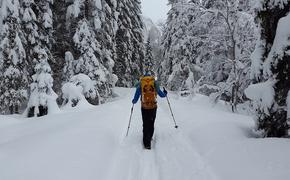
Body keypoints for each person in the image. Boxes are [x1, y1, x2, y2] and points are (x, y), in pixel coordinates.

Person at [132, 71, 167, 149]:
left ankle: (146, 143)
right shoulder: (154, 82)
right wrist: (165, 93)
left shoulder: (141, 83)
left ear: (143, 77)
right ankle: (150, 137)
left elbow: (136, 97)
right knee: (151, 122)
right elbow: (162, 95)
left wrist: (133, 101)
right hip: (153, 106)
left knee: (145, 123)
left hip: (144, 107)